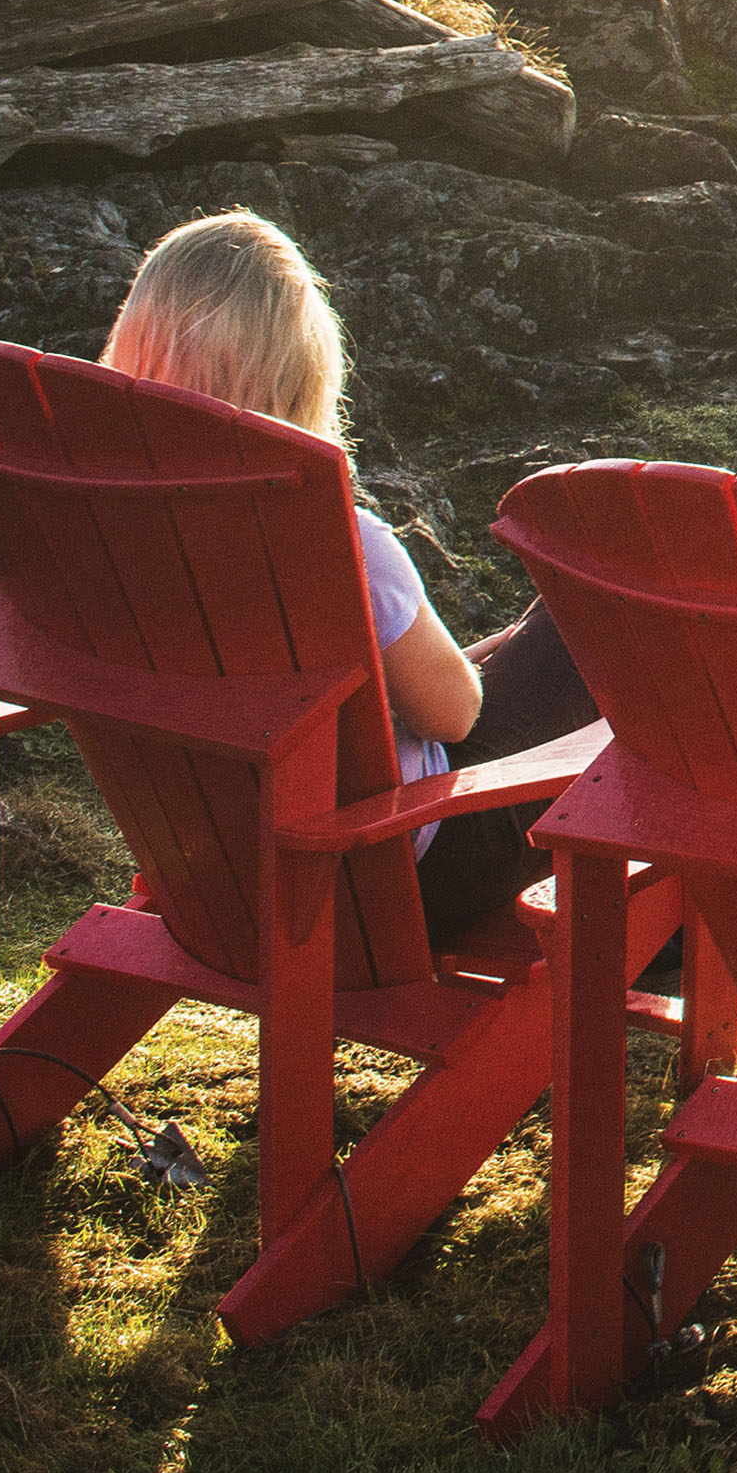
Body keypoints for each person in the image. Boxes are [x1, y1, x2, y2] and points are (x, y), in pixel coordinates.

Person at [96, 210, 585, 943]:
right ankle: (669, 918)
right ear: (301, 379)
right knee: (582, 620)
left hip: (216, 870)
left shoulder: (104, 538)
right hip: (394, 874)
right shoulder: (343, 544)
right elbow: (452, 716)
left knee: (537, 636)